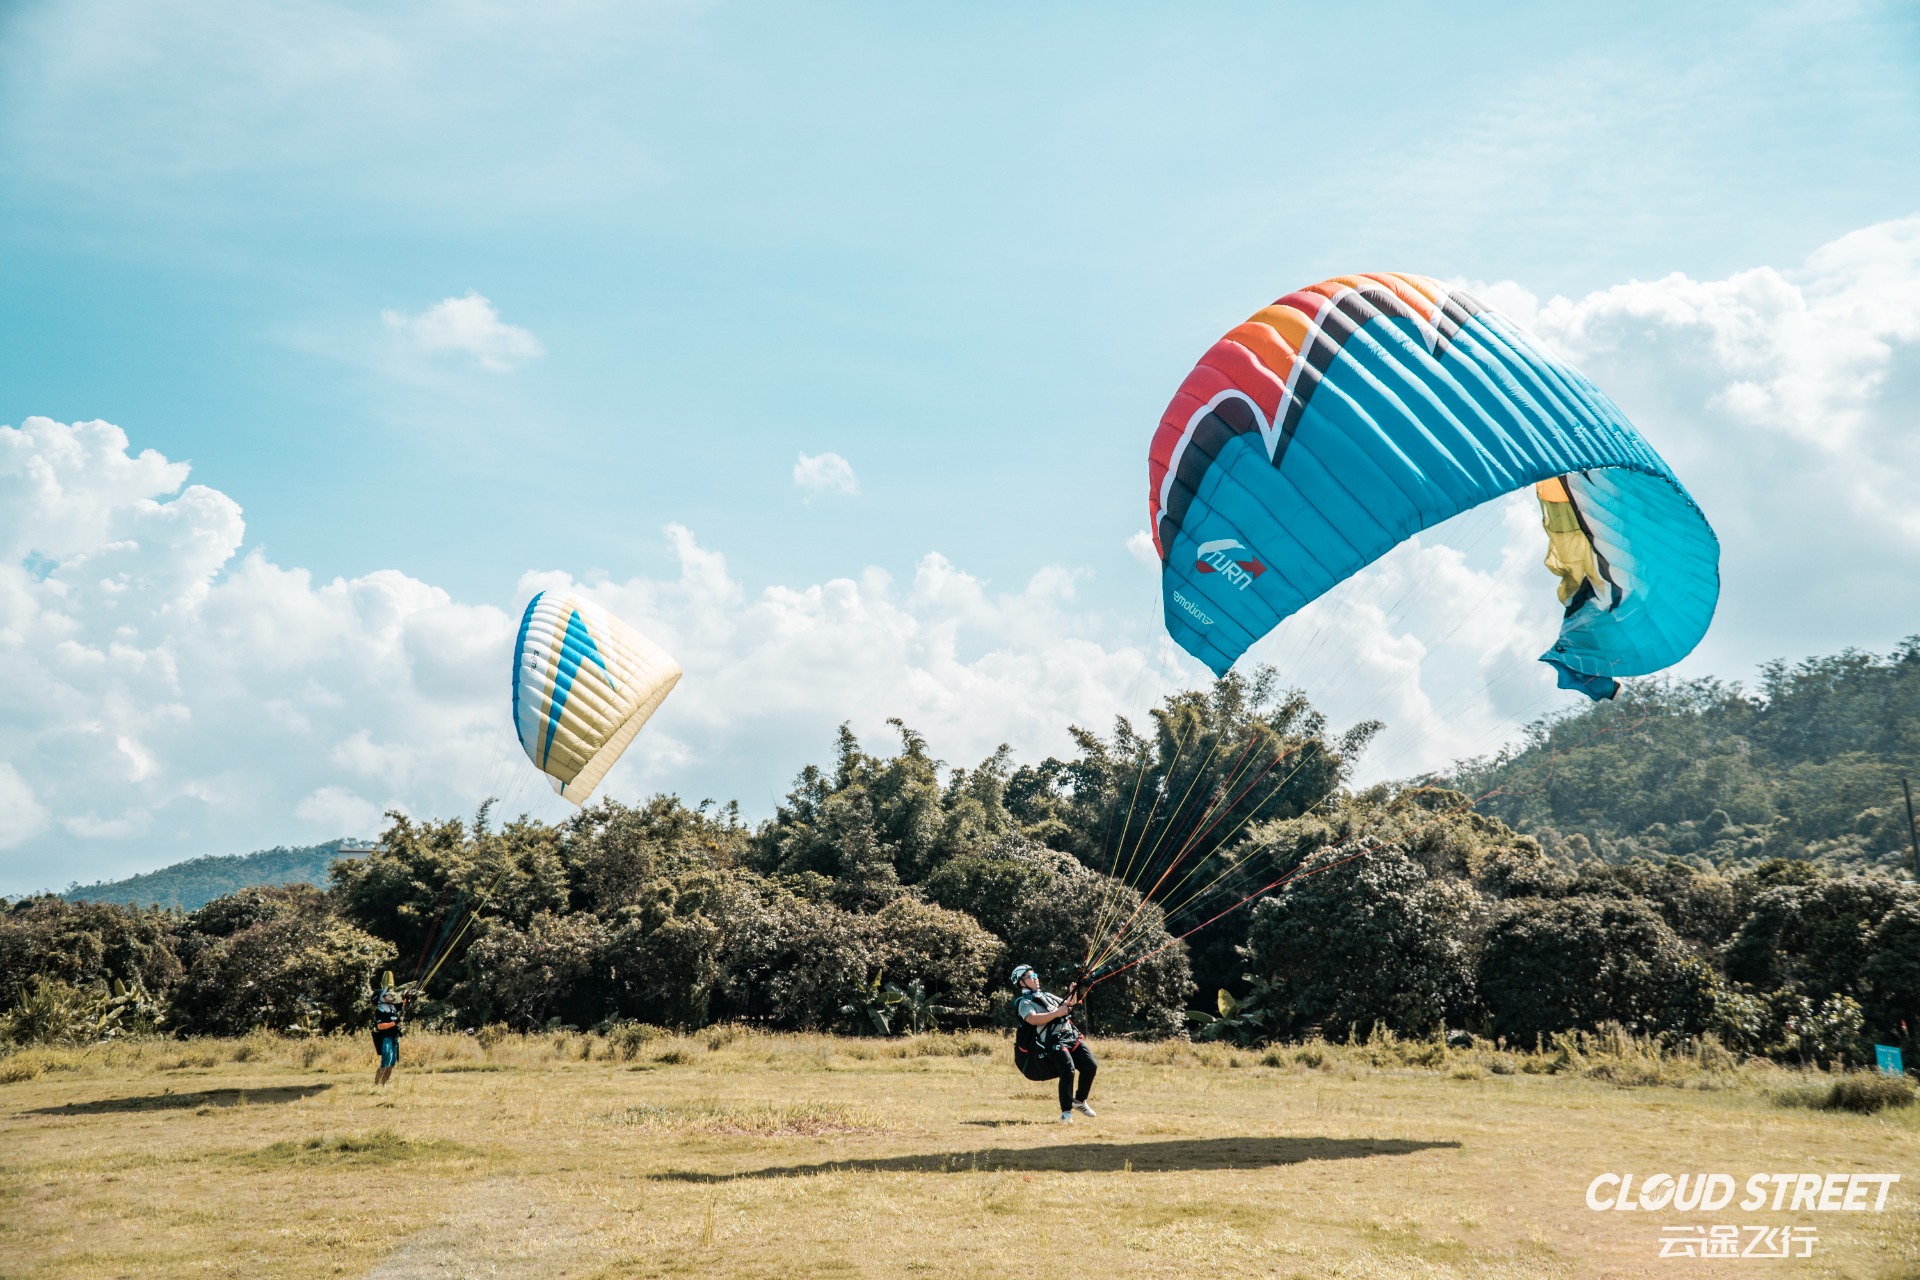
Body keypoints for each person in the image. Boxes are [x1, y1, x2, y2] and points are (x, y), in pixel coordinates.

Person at [1011, 964, 1096, 1122]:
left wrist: (1074, 991)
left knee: (1090, 1065)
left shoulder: (1046, 995)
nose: (1035, 979)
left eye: (1035, 975)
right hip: (1052, 1041)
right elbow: (1033, 1019)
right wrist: (1056, 1013)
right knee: (1067, 1069)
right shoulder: (1024, 1002)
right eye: (1030, 977)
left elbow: (1068, 1005)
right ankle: (1066, 1112)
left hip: (1069, 1036)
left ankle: (1079, 1101)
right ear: (1021, 982)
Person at [371, 985, 405, 1085]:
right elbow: (380, 1026)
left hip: (395, 1038)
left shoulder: (392, 1007)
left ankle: (383, 1084)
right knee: (385, 1062)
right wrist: (394, 1023)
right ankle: (376, 1084)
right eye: (386, 995)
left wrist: (407, 997)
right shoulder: (380, 1010)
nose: (388, 995)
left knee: (392, 1063)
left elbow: (403, 1005)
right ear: (381, 999)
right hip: (386, 1038)